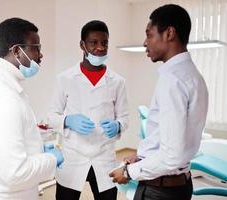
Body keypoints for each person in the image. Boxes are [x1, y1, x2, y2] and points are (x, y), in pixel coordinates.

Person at [109, 4, 208, 200]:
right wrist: (143, 155)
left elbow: (172, 157)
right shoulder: (193, 76)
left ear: (169, 33)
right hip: (179, 184)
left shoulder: (173, 80)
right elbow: (175, 140)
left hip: (160, 191)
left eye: (149, 34)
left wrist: (130, 172)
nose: (145, 42)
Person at [0, 18, 64, 200]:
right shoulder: (1, 97)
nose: (41, 55)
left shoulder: (6, 86)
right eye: (36, 48)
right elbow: (15, 173)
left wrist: (36, 147)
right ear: (17, 51)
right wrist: (52, 158)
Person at [47, 20, 129, 200]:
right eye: (94, 42)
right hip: (73, 156)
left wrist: (118, 124)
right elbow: (51, 116)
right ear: (82, 45)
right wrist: (68, 120)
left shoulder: (117, 81)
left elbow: (124, 117)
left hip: (104, 157)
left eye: (104, 43)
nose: (100, 48)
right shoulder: (65, 78)